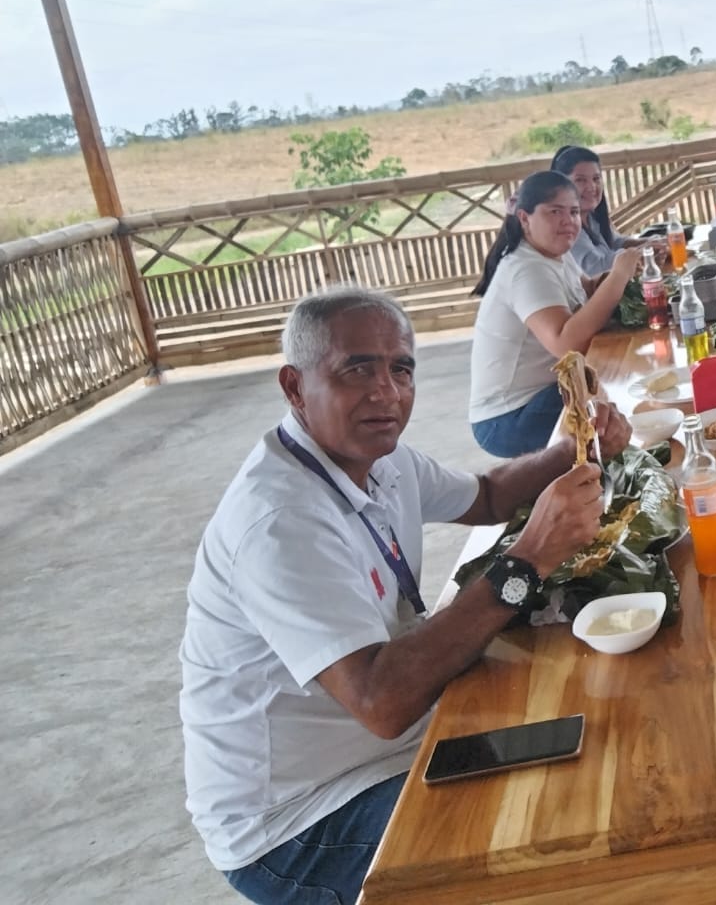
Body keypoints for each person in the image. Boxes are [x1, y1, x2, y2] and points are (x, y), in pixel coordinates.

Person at [180, 286, 632, 904]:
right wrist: (528, 559)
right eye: (357, 369)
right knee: (546, 848)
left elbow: (489, 495)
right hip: (301, 820)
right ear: (294, 386)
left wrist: (572, 450)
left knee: (591, 749)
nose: (386, 393)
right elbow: (382, 700)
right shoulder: (280, 520)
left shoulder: (377, 459)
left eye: (401, 369)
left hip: (393, 748)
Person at [468, 170, 641, 457]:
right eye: (555, 211)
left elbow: (585, 289)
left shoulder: (553, 252)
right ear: (524, 218)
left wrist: (615, 277)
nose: (568, 221)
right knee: (616, 404)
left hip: (543, 395)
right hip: (509, 418)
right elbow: (566, 344)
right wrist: (618, 276)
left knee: (619, 377)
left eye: (573, 212)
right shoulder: (526, 269)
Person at [550, 145, 662, 275]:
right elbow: (595, 268)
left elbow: (614, 241)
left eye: (596, 179)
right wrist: (639, 253)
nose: (591, 187)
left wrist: (649, 243)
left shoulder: (591, 217)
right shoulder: (566, 227)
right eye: (580, 180)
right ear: (562, 185)